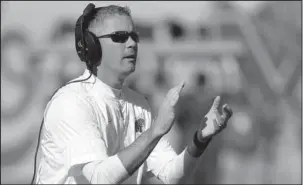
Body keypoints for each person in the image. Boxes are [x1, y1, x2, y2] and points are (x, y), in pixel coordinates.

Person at [32, 3, 233, 184]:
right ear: (92, 46)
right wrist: (155, 131)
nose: (132, 43)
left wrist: (200, 139)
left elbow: (171, 175)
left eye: (134, 36)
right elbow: (101, 178)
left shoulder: (138, 105)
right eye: (119, 37)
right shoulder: (70, 103)